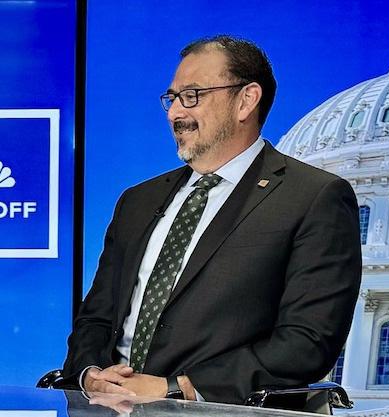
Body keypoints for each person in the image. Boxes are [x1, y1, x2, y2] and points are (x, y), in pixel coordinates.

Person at [63, 35, 361, 408]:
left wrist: (177, 388)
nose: (174, 113)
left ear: (246, 100)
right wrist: (90, 374)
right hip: (107, 409)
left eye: (192, 96)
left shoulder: (313, 197)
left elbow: (308, 341)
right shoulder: (137, 201)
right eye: (172, 98)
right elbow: (96, 318)